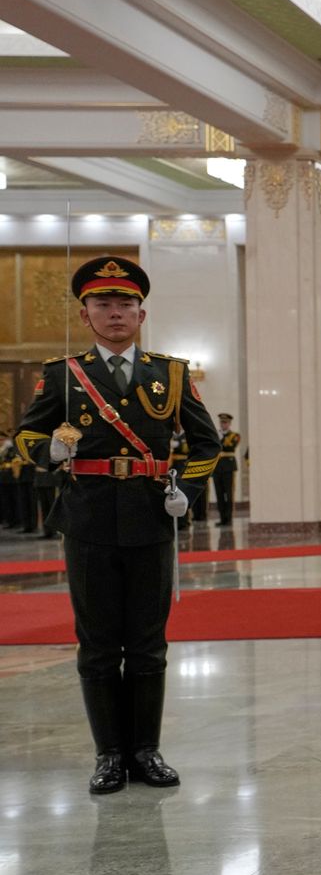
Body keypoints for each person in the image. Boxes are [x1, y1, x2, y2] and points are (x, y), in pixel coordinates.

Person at [12, 256, 219, 793]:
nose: (115, 313)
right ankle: (108, 755)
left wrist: (186, 490)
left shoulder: (171, 374)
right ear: (86, 315)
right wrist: (52, 451)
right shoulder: (63, 374)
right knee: (99, 643)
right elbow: (27, 437)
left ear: (141, 314)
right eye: (103, 304)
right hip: (88, 519)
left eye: (125, 304)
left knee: (148, 643)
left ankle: (146, 751)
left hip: (151, 518)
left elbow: (207, 444)